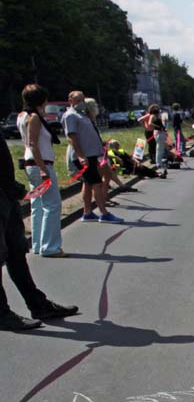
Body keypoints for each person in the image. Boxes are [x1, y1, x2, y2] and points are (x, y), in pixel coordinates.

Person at [0, 126, 78, 331]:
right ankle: (2, 314)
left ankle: (38, 304)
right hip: (3, 194)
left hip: (6, 196)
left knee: (16, 252)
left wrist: (11, 188)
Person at [17, 85, 65, 256]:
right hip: (41, 164)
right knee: (52, 205)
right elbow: (33, 144)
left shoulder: (22, 116)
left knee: (37, 205)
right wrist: (43, 168)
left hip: (31, 165)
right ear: (41, 100)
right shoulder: (35, 118)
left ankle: (38, 244)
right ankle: (50, 246)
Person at [64, 90, 123, 223]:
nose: (81, 103)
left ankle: (87, 212)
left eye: (82, 100)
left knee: (89, 183)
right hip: (85, 156)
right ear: (70, 101)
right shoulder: (70, 116)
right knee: (97, 183)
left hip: (91, 154)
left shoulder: (81, 115)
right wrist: (80, 156)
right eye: (78, 100)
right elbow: (72, 137)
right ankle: (104, 213)